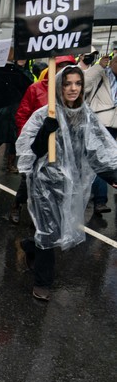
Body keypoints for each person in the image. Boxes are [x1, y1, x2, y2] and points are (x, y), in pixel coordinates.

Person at [17, 66, 117, 301]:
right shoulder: (44, 114)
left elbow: (96, 151)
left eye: (77, 84)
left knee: (56, 229)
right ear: (59, 86)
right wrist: (46, 131)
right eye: (67, 83)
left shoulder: (86, 116)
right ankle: (43, 282)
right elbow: (31, 150)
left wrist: (112, 177)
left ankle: (30, 245)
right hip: (44, 181)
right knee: (49, 230)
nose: (73, 88)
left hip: (69, 184)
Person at [9, 55, 77, 224]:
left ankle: (43, 215)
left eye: (69, 67)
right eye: (61, 66)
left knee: (52, 182)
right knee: (29, 180)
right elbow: (22, 114)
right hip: (36, 144)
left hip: (59, 147)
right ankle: (17, 204)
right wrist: (27, 140)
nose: (64, 71)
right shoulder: (36, 88)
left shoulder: (73, 92)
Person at [82, 53, 117, 214]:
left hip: (115, 127)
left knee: (110, 163)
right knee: (100, 162)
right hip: (99, 125)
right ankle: (100, 200)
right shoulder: (101, 74)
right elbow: (84, 83)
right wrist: (98, 67)